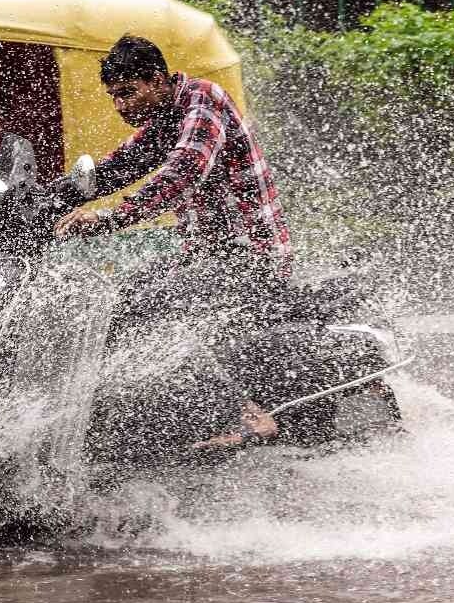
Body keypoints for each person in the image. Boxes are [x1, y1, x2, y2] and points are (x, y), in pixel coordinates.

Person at [54, 35, 293, 450]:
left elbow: (182, 172)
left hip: (250, 259)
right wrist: (49, 199)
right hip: (204, 259)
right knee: (112, 301)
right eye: (113, 96)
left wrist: (107, 218)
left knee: (151, 307)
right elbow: (118, 167)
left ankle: (248, 415)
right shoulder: (165, 117)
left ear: (158, 79)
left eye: (128, 92)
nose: (121, 106)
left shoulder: (205, 102)